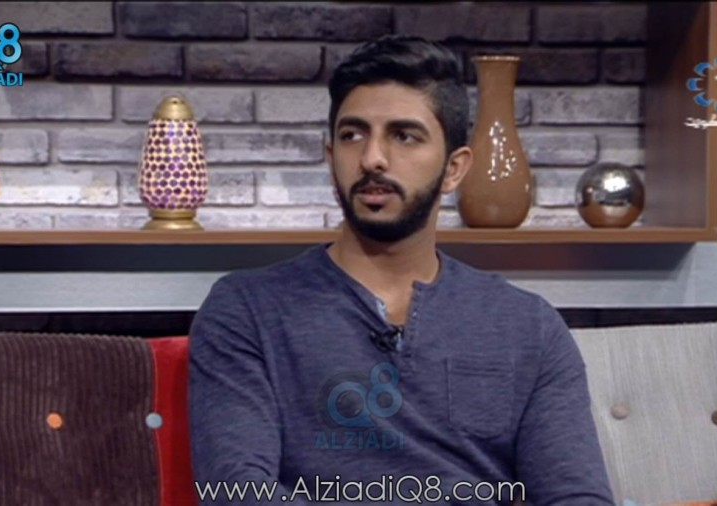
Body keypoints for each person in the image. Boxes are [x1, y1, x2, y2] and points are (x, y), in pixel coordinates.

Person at [189, 35, 614, 505]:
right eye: (353, 135)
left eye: (404, 135)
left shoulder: (528, 326)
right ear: (330, 158)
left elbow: (576, 496)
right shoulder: (247, 310)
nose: (372, 158)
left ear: (454, 169)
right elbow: (237, 492)